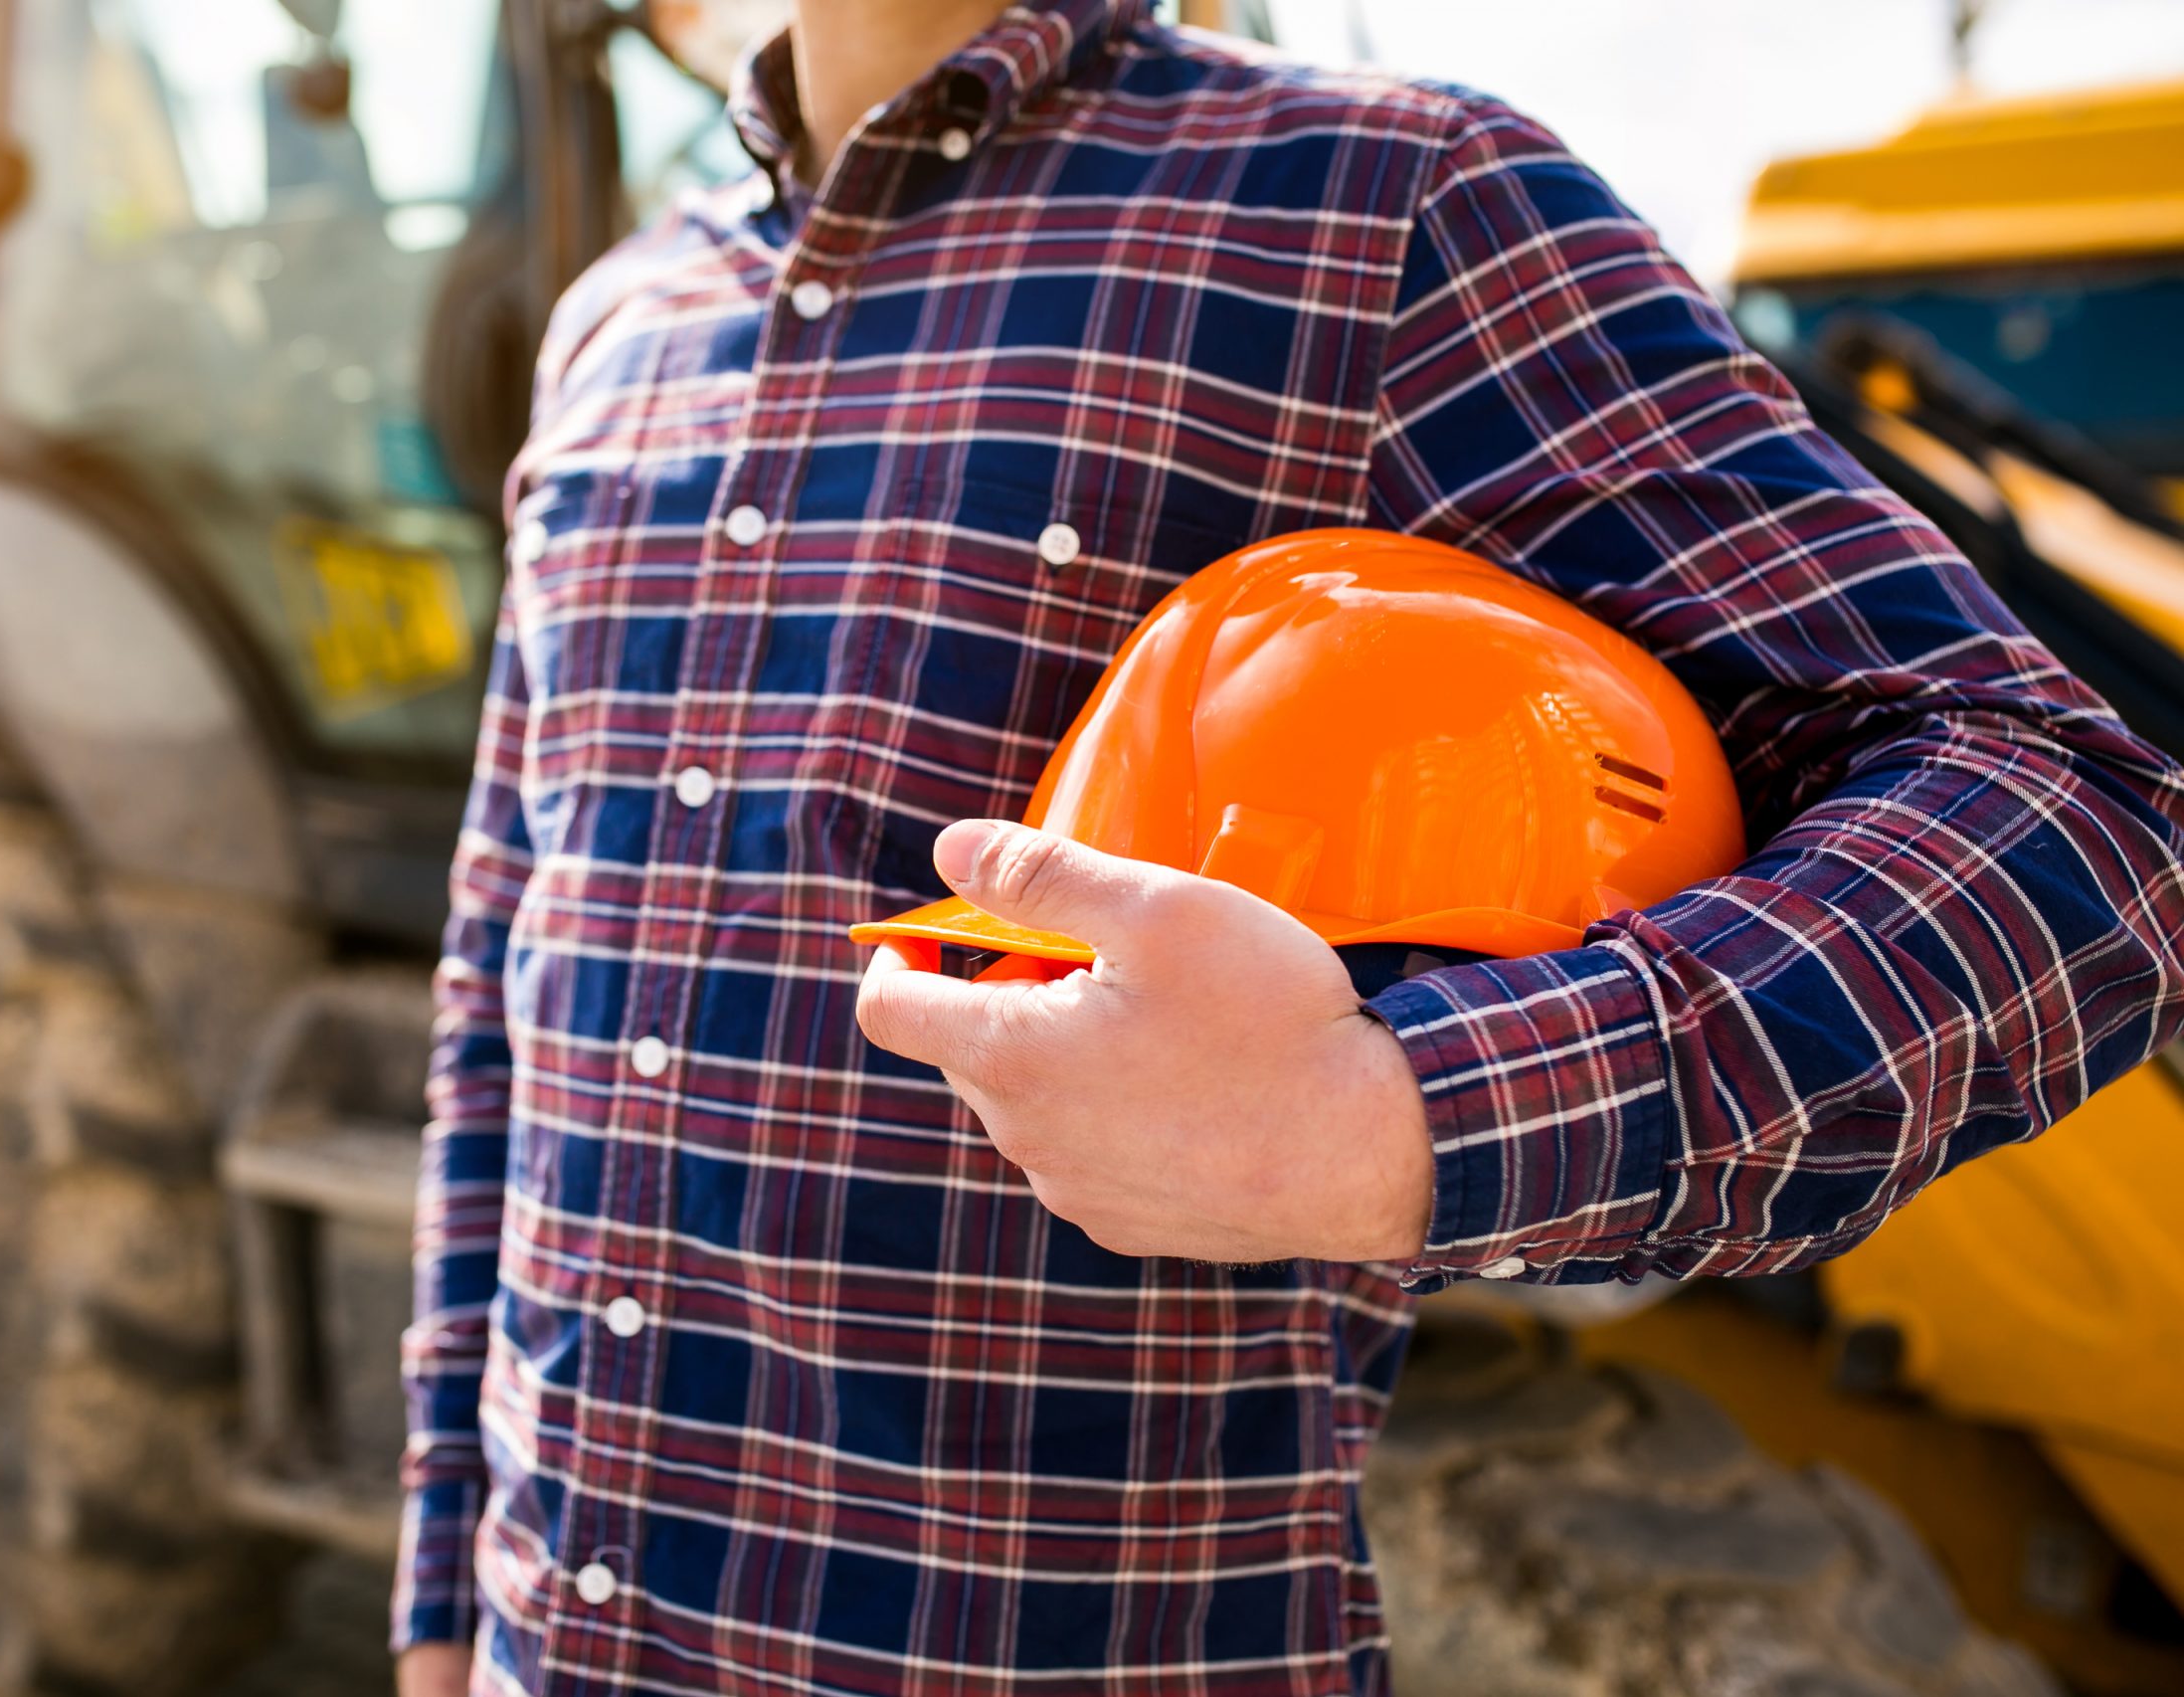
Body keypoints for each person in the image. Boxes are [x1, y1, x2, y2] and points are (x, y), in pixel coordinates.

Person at [396, 3, 2184, 1693]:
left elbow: (2066, 823)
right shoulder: (616, 330)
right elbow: (506, 999)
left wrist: (1399, 1123)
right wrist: (442, 1598)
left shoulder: (1380, 213)